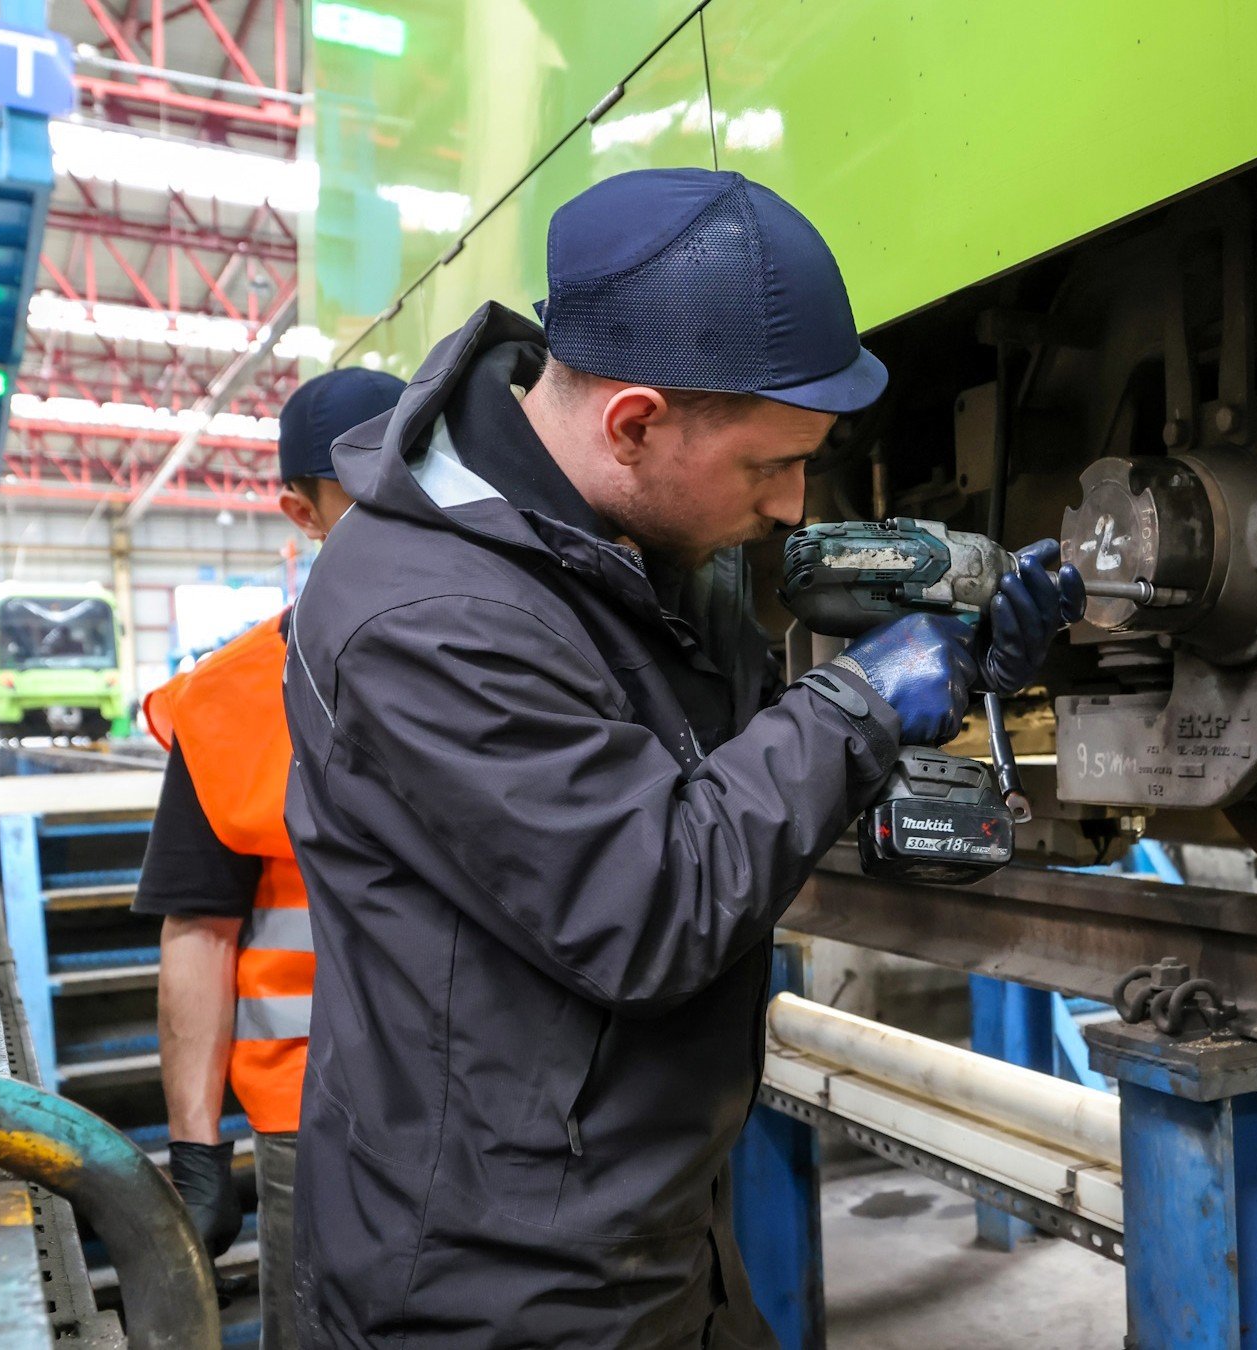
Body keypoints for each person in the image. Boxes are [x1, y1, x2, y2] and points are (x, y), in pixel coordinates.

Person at [282, 168, 1084, 1349]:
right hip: (490, 1282)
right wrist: (862, 699)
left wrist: (966, 663)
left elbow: (746, 772)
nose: (792, 505)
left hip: (644, 1224)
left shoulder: (615, 543)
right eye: (772, 467)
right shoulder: (425, 614)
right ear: (636, 421)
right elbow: (651, 906)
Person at [133, 367, 408, 1350]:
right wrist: (197, 1148)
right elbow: (200, 931)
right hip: (316, 1120)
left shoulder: (523, 651)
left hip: (507, 1105)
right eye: (371, 485)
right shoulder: (227, 703)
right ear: (303, 511)